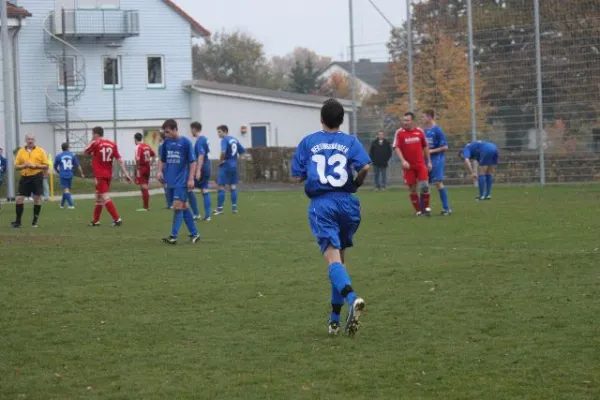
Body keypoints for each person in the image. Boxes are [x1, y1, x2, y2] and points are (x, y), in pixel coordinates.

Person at [291, 98, 371, 336]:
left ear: (321, 119)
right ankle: (334, 320)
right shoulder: (350, 141)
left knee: (333, 262)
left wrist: (309, 173)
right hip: (348, 205)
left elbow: (296, 176)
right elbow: (366, 166)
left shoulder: (309, 142)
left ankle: (352, 298)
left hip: (322, 205)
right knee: (340, 262)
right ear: (342, 120)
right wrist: (356, 183)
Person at [157, 119, 200, 244]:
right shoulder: (166, 142)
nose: (166, 134)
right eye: (165, 132)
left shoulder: (186, 142)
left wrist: (191, 178)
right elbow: (162, 159)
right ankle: (195, 234)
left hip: (182, 180)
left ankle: (173, 236)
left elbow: (192, 162)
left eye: (168, 132)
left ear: (175, 129)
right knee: (183, 206)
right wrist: (159, 171)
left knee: (177, 207)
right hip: (170, 180)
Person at [84, 126, 132, 226]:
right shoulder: (112, 144)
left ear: (96, 134)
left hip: (99, 174)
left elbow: (85, 151)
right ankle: (96, 221)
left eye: (92, 134)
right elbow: (119, 160)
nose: (92, 136)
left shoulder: (96, 143)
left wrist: (91, 140)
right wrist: (126, 173)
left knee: (104, 196)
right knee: (98, 197)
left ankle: (117, 219)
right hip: (108, 174)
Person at [394, 112, 433, 216]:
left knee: (425, 186)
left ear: (413, 121)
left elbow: (425, 147)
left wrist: (429, 161)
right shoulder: (399, 133)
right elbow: (397, 148)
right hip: (408, 166)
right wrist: (403, 160)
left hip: (420, 164)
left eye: (407, 120)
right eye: (404, 120)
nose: (405, 122)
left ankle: (426, 209)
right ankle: (418, 210)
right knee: (412, 188)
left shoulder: (420, 132)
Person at [11, 135, 48, 228]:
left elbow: (46, 165)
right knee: (19, 198)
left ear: (34, 140)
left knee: (37, 199)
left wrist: (36, 166)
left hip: (36, 176)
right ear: (25, 140)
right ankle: (18, 221)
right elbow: (16, 166)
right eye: (28, 139)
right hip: (25, 177)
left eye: (32, 139)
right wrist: (24, 165)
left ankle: (35, 221)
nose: (30, 141)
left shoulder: (40, 151)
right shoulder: (21, 151)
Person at [422, 109, 451, 215]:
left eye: (424, 116)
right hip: (426, 160)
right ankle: (424, 209)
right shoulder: (424, 131)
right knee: (424, 183)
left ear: (429, 117)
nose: (422, 119)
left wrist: (431, 151)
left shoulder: (438, 130)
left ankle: (447, 209)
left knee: (438, 183)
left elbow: (445, 147)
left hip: (437, 159)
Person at [214, 125, 245, 215]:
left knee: (221, 186)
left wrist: (221, 161)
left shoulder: (224, 140)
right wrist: (235, 160)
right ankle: (234, 208)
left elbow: (223, 152)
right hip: (233, 165)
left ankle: (220, 209)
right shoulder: (234, 139)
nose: (218, 134)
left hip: (226, 164)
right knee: (232, 186)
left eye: (219, 132)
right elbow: (242, 152)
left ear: (225, 131)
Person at [191, 121, 212, 221]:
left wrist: (198, 170)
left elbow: (201, 155)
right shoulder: (205, 139)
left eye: (191, 129)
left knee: (189, 188)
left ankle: (196, 214)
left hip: (202, 167)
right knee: (204, 189)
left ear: (195, 129)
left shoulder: (200, 141)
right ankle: (207, 216)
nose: (191, 131)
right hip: (207, 166)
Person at [54, 142, 85, 209]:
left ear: (62, 148)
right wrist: (82, 174)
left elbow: (55, 166)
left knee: (66, 190)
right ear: (68, 148)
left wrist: (58, 171)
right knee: (66, 189)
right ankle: (61, 205)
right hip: (70, 174)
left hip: (63, 175)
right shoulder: (72, 155)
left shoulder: (58, 156)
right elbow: (78, 165)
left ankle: (71, 205)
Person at [134, 132, 156, 211]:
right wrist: (150, 163)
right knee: (143, 186)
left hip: (142, 168)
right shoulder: (146, 146)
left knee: (144, 187)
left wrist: (137, 167)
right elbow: (154, 155)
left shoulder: (138, 147)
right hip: (147, 168)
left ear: (135, 139)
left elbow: (137, 159)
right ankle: (145, 206)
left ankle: (146, 207)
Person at [158, 132, 173, 209]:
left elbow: (161, 158)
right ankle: (170, 203)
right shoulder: (168, 145)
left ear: (161, 137)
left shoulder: (162, 146)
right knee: (168, 185)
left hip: (165, 167)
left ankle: (170, 203)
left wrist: (159, 169)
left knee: (166, 186)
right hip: (169, 167)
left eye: (158, 136)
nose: (158, 137)